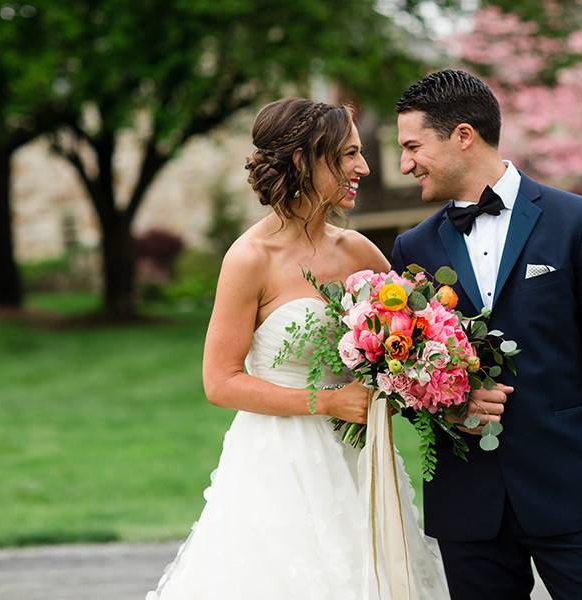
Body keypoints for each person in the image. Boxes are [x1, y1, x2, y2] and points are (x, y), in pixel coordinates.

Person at [146, 98, 449, 599]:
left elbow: (404, 345)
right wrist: (325, 401)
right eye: (349, 154)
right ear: (306, 160)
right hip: (281, 464)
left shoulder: (361, 253)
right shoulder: (249, 259)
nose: (364, 167)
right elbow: (220, 382)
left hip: (362, 460)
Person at [390, 69, 582, 599]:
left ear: (463, 135)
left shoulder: (580, 223)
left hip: (574, 497)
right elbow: (402, 375)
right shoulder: (411, 249)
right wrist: (447, 407)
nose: (404, 163)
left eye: (413, 145)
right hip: (468, 507)